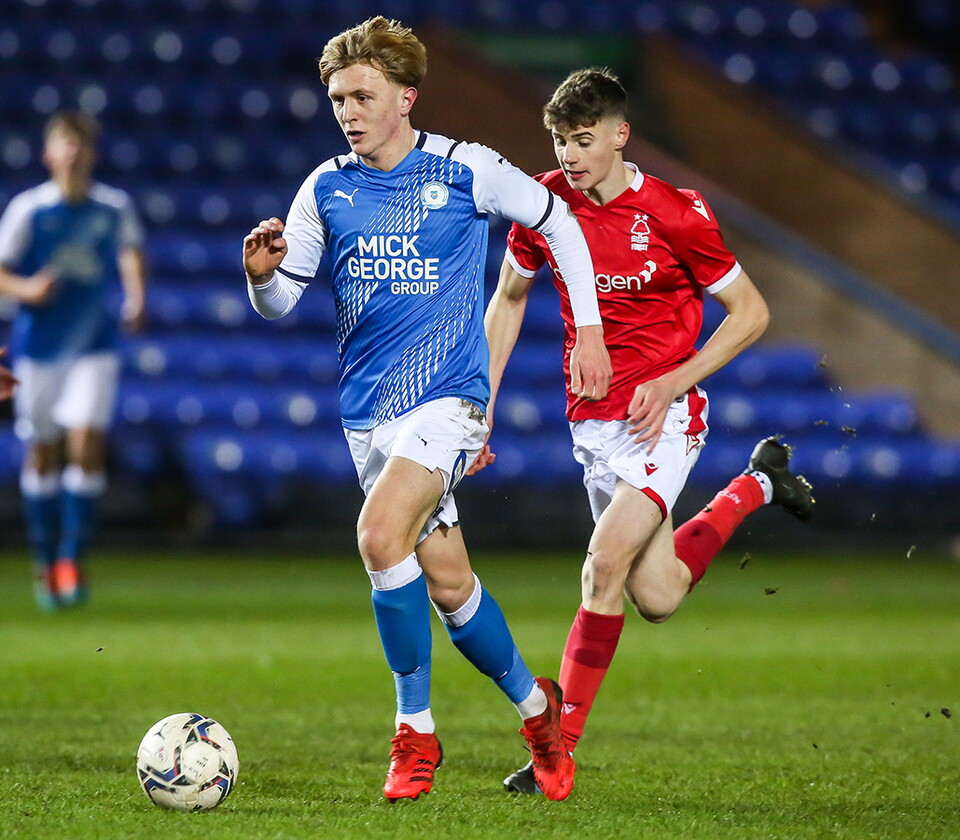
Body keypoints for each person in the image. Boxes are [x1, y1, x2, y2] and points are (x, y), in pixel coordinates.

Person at [241, 18, 611, 802]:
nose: (347, 110)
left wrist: (591, 333)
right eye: (338, 97)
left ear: (404, 97)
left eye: (363, 95)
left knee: (378, 537)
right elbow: (281, 302)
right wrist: (261, 279)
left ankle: (415, 734)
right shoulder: (325, 188)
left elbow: (560, 222)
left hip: (449, 400)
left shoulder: (466, 168)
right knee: (448, 583)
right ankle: (539, 714)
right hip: (367, 414)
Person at [476, 68, 815, 793]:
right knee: (655, 595)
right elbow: (507, 299)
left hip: (664, 418)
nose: (569, 154)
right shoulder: (544, 204)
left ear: (620, 135)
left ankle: (556, 752)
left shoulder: (675, 213)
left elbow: (751, 314)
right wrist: (482, 405)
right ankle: (759, 484)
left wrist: (672, 381)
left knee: (601, 568)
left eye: (584, 140)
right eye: (561, 140)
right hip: (594, 425)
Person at [0, 110, 147, 611]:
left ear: (91, 152)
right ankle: (44, 561)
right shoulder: (28, 210)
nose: (73, 152)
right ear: (49, 153)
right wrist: (25, 288)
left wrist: (136, 297)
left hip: (94, 345)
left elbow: (130, 252)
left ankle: (69, 559)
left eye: (81, 144)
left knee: (86, 443)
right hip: (39, 348)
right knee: (43, 452)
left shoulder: (112, 207)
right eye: (65, 143)